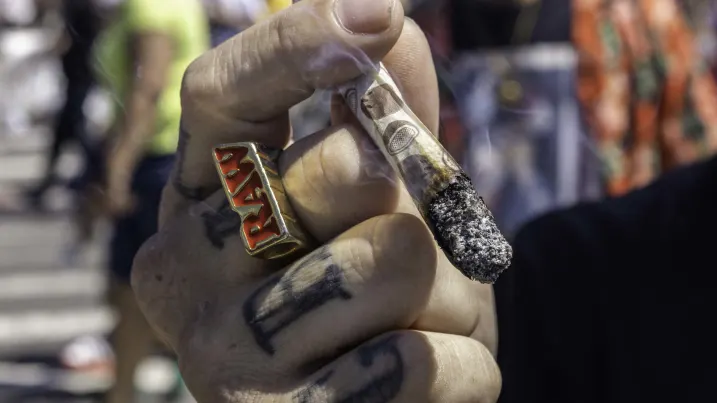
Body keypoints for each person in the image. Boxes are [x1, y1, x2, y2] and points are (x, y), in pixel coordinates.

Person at [90, 0, 209, 401]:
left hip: (157, 158)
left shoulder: (150, 7)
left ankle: (146, 388)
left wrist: (119, 165)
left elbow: (148, 85)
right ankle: (126, 390)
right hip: (167, 152)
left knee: (141, 287)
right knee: (137, 290)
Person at [27, 0, 100, 208]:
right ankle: (53, 182)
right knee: (67, 132)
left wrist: (45, 55)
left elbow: (68, 39)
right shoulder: (78, 6)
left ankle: (96, 175)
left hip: (80, 76)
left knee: (76, 131)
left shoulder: (76, 7)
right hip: (78, 76)